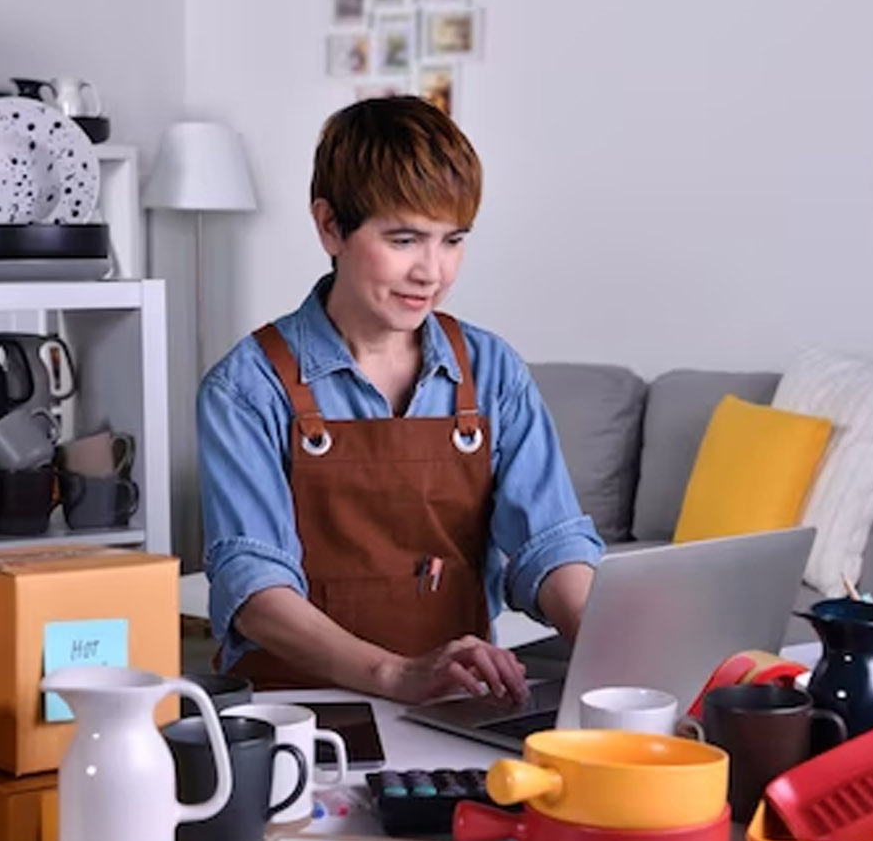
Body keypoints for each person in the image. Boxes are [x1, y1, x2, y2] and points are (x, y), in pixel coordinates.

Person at [196, 96, 604, 706]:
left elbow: (551, 542)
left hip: (453, 707)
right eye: (405, 238)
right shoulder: (247, 387)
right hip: (300, 714)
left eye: (452, 241)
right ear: (330, 226)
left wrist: (615, 653)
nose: (432, 273)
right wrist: (392, 674)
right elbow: (252, 586)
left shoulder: (493, 373)